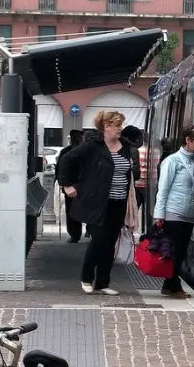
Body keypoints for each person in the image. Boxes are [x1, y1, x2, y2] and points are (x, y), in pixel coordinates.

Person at [57, 111, 140, 295]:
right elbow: (66, 159)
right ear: (106, 127)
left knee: (110, 242)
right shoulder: (93, 146)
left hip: (119, 202)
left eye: (121, 125)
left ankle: (103, 283)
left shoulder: (125, 146)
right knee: (99, 240)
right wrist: (67, 184)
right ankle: (86, 277)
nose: (120, 129)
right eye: (117, 125)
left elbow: (129, 172)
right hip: (98, 203)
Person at [153, 125, 194, 299]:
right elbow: (163, 190)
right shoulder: (172, 161)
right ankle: (173, 285)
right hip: (173, 212)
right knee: (174, 250)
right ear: (187, 140)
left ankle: (169, 285)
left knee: (181, 250)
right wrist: (159, 215)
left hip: (189, 213)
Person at [57, 130, 87, 243]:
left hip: (70, 186)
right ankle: (88, 231)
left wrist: (62, 183)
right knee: (88, 209)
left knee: (71, 211)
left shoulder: (66, 151)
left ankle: (75, 235)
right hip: (82, 185)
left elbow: (59, 169)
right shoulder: (86, 151)